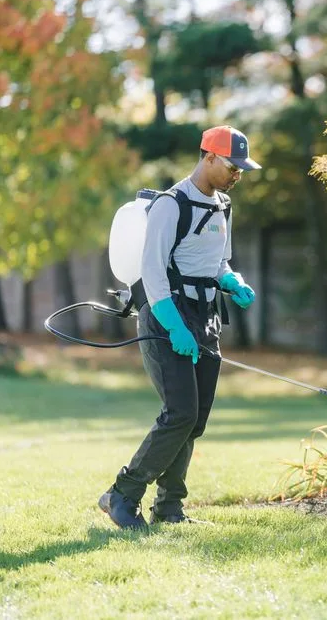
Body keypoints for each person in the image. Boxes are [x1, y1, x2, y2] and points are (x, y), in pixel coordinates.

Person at [99, 125, 260, 529]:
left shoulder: (223, 206)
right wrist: (174, 327)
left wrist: (232, 282)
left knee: (195, 418)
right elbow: (153, 273)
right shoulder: (171, 205)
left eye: (241, 170)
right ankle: (122, 494)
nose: (237, 175)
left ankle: (169, 508)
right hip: (166, 314)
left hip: (206, 317)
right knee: (180, 413)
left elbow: (218, 261)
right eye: (232, 167)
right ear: (209, 157)